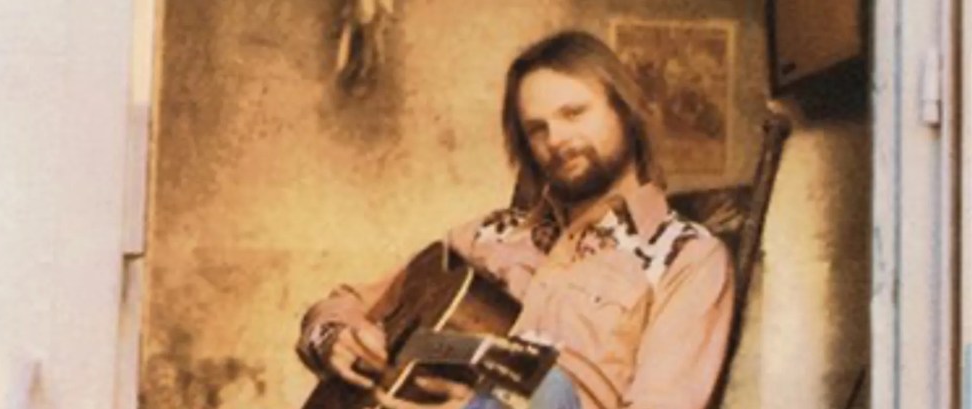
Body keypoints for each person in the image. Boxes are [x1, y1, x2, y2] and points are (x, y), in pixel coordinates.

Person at [296, 30, 734, 409]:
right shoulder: (492, 234)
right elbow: (350, 300)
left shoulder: (685, 256)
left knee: (550, 387)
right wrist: (334, 336)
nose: (557, 139)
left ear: (624, 110)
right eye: (536, 128)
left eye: (573, 113)